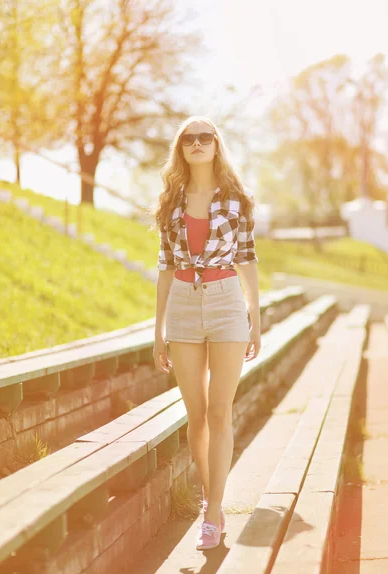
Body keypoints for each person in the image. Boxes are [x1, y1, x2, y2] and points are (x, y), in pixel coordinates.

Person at [150, 115, 261, 551]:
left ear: (216, 145)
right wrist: (158, 331)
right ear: (181, 148)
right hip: (182, 304)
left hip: (225, 303)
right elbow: (164, 267)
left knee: (220, 412)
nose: (196, 144)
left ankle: (213, 510)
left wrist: (257, 317)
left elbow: (248, 259)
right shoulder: (169, 200)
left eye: (205, 137)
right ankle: (208, 499)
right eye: (188, 138)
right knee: (196, 416)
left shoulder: (238, 199)